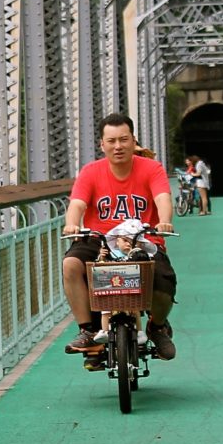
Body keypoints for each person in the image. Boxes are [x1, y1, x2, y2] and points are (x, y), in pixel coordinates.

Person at [63, 113, 177, 361]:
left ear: (133, 141)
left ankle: (157, 327)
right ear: (101, 144)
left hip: (141, 239)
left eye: (124, 140)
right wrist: (72, 224)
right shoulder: (91, 172)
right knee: (71, 264)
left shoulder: (151, 168)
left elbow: (162, 198)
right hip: (100, 239)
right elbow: (77, 204)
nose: (118, 146)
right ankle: (88, 330)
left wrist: (164, 220)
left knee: (163, 282)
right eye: (111, 141)